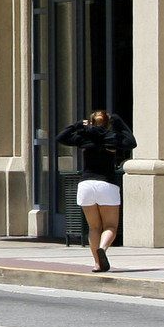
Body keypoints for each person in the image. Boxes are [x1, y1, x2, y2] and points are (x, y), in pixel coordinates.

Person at [58, 109, 136, 272]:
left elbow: (61, 137)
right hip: (106, 185)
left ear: (91, 122)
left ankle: (97, 263)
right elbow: (131, 142)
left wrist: (78, 124)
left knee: (94, 227)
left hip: (86, 185)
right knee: (110, 226)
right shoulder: (112, 138)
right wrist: (118, 120)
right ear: (108, 123)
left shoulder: (84, 138)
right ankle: (103, 248)